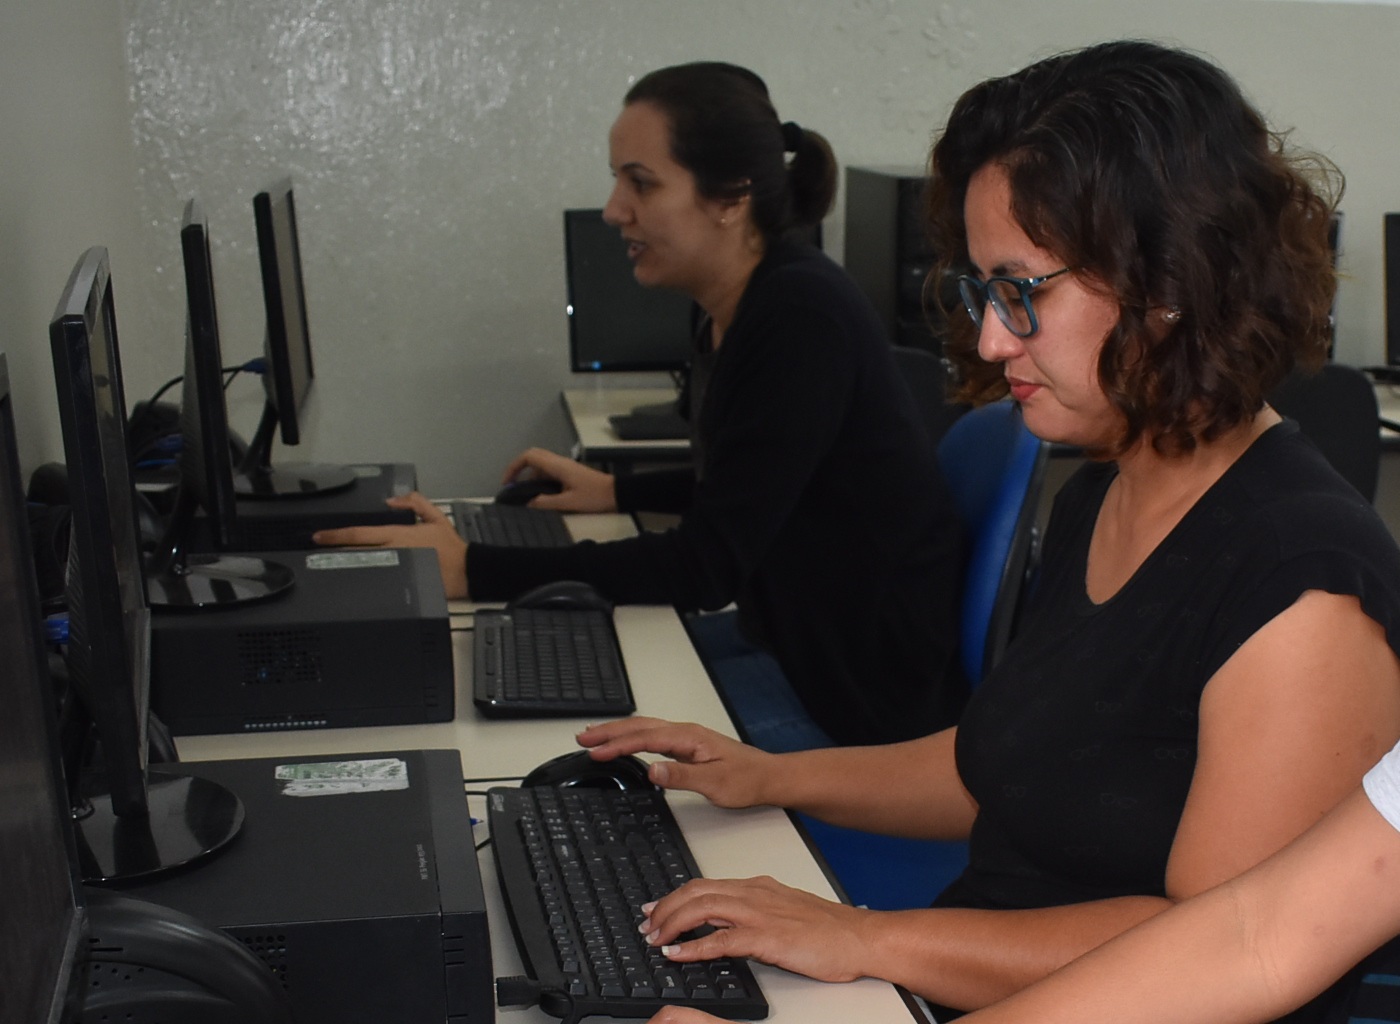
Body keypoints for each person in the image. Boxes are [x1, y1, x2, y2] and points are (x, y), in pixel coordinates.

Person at [575, 39, 1400, 1023]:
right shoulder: (1107, 488)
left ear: (1172, 283)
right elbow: (1006, 762)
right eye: (979, 291)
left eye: (1023, 291)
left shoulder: (1303, 586)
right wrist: (765, 774)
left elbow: (1209, 956)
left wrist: (862, 936)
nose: (990, 338)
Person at [313, 61, 968, 751]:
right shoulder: (732, 308)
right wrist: (615, 489)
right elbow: (758, 480)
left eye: (641, 182)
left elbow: (703, 567)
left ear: (730, 198)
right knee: (554, 674)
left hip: (855, 704)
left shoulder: (798, 316)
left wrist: (471, 569)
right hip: (794, 643)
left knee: (566, 738)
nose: (613, 209)